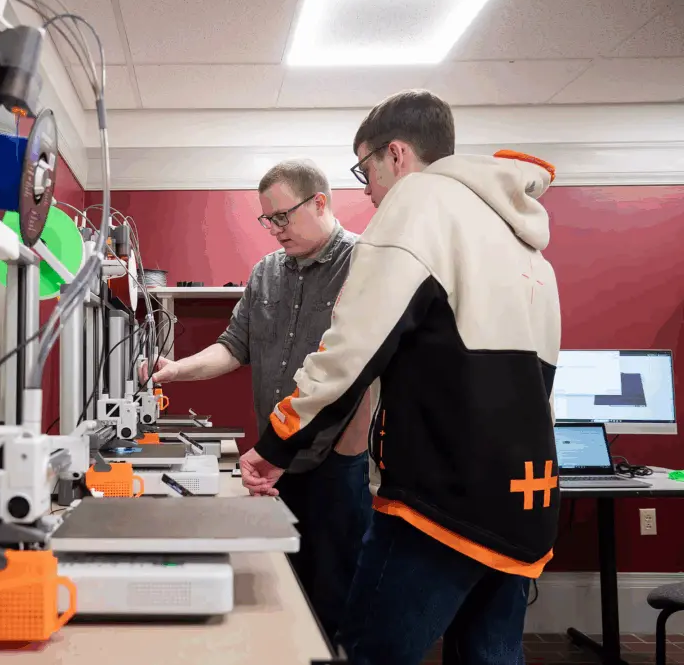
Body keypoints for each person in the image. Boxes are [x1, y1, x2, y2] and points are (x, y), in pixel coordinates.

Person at [240, 90, 562, 665]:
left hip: (440, 502)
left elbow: (350, 352)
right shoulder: (524, 241)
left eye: (365, 169)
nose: (365, 188)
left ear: (397, 154)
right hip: (525, 503)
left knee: (366, 652)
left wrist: (275, 444)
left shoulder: (418, 206)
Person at [142, 159, 373, 639]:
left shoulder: (365, 263)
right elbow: (233, 346)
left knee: (335, 596)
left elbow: (363, 370)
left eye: (281, 217)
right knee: (284, 589)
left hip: (337, 465)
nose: (273, 231)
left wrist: (348, 449)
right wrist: (173, 371)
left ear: (320, 203)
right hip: (275, 458)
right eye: (266, 220)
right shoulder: (267, 272)